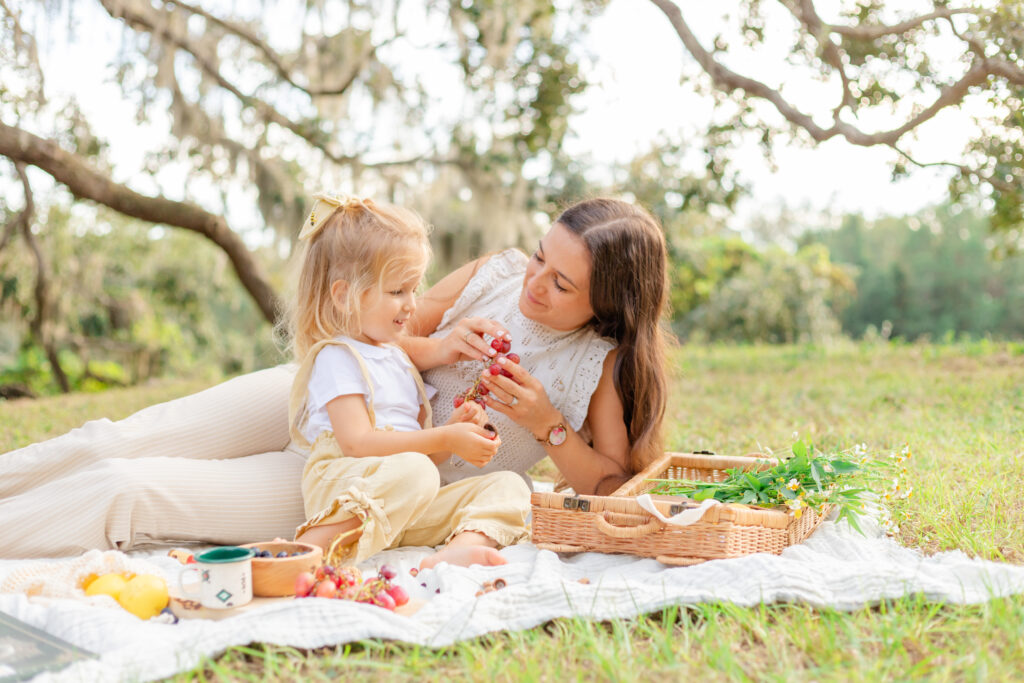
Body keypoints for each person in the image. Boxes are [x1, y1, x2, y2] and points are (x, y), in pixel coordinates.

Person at [0, 196, 670, 561]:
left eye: (561, 283)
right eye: (539, 257)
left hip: (358, 481)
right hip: (327, 389)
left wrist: (544, 421)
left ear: (606, 304)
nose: (534, 284)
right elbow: (382, 324)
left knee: (131, 490)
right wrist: (435, 346)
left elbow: (609, 484)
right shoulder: (492, 273)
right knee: (118, 438)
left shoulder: (600, 363)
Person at [284, 193, 527, 567]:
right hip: (349, 489)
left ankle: (456, 551)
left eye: (413, 289)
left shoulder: (399, 360)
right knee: (417, 473)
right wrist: (443, 437)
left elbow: (427, 454)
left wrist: (453, 431)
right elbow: (356, 443)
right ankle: (309, 551)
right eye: (398, 291)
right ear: (345, 295)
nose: (412, 304)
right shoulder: (338, 356)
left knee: (510, 485)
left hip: (406, 502)